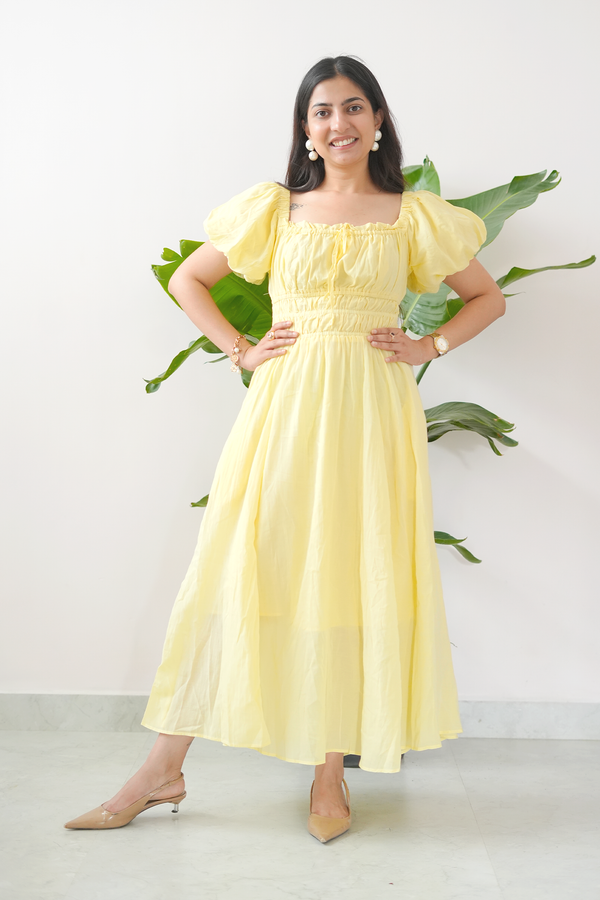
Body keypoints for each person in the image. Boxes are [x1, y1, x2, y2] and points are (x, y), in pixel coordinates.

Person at [64, 55, 505, 842]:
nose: (340, 124)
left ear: (379, 122)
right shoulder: (276, 209)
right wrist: (240, 347)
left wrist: (427, 345)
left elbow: (487, 297)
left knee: (348, 570)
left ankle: (329, 775)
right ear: (305, 131)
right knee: (241, 563)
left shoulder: (412, 215)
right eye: (322, 112)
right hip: (286, 406)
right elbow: (189, 282)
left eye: (355, 108)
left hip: (372, 408)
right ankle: (162, 767)